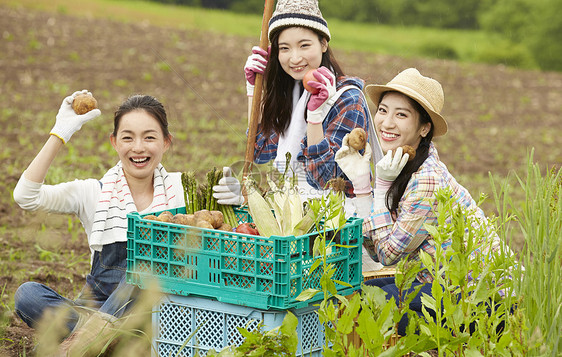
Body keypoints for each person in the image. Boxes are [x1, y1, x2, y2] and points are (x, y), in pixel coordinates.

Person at [335, 68, 512, 335]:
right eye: (383, 110)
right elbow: (377, 248)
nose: (386, 123)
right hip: (441, 283)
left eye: (401, 114)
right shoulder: (402, 166)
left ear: (424, 128)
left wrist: (378, 189)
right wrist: (362, 185)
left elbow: (387, 255)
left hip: (483, 298)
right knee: (367, 291)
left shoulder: (426, 180)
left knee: (378, 303)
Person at [12, 91, 185, 346]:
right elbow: (25, 196)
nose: (138, 147)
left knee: (143, 270)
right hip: (95, 308)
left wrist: (234, 197)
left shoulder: (182, 190)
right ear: (114, 142)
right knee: (28, 296)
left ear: (166, 142)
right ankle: (105, 340)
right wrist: (60, 133)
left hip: (151, 314)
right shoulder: (94, 192)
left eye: (149, 137)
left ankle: (85, 343)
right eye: (128, 138)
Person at [213, 0, 378, 206]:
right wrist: (254, 89)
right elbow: (260, 150)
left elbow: (328, 181)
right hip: (291, 212)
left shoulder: (347, 99)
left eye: (304, 45)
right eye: (285, 48)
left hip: (336, 220)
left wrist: (315, 116)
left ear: (324, 43)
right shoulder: (292, 91)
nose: (295, 58)